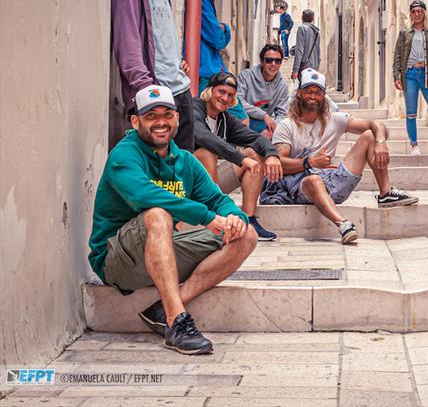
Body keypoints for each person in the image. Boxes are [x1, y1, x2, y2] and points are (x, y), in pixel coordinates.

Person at [88, 85, 257, 354]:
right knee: (157, 213)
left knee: (246, 235)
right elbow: (147, 196)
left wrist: (234, 217)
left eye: (167, 115)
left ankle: (162, 308)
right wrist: (208, 218)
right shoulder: (124, 155)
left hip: (161, 249)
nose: (160, 123)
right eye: (151, 116)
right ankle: (176, 321)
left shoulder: (185, 161)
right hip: (116, 260)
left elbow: (217, 200)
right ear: (135, 121)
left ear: (177, 118)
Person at [261, 68, 418, 243]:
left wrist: (381, 143)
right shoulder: (286, 126)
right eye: (308, 91)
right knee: (314, 180)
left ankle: (386, 192)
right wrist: (310, 162)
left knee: (370, 135)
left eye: (317, 92)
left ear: (323, 96)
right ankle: (342, 224)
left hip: (333, 180)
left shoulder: (335, 120)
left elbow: (376, 124)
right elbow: (279, 163)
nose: (313, 96)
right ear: (299, 94)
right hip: (301, 186)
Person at [113, 0, 194, 150]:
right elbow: (127, 47)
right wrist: (148, 91)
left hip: (180, 89)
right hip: (155, 94)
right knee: (156, 170)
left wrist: (178, 62)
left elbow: (161, 38)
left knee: (180, 167)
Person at [192, 72, 283, 242]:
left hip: (209, 187)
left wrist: (272, 155)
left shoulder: (225, 119)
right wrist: (239, 158)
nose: (225, 98)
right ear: (210, 91)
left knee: (253, 155)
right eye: (221, 92)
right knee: (206, 153)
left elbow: (256, 138)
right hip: (182, 185)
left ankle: (249, 220)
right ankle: (216, 218)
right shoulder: (194, 107)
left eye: (230, 95)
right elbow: (201, 135)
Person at [392, 0, 428, 155]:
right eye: (414, 11)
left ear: (424, 13)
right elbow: (397, 55)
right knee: (411, 113)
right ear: (411, 14)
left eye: (420, 11)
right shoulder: (404, 34)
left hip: (427, 75)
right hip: (409, 75)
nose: (417, 14)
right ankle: (414, 145)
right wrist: (396, 75)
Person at [196, 0, 249, 123]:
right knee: (240, 119)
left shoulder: (208, 2)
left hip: (211, 72)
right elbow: (217, 39)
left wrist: (222, 29)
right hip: (206, 74)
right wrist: (225, 29)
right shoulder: (202, 1)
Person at [237, 43, 290, 138]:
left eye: (277, 61)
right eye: (269, 60)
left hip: (264, 125)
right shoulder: (246, 76)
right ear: (261, 62)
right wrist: (264, 115)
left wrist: (271, 129)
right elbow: (238, 101)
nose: (273, 64)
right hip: (242, 118)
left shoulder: (283, 86)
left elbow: (282, 114)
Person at [291, 9, 321, 82]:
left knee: (303, 90)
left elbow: (299, 50)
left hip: (304, 66)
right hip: (314, 66)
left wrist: (295, 70)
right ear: (312, 19)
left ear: (302, 17)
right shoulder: (317, 32)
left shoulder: (302, 28)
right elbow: (318, 52)